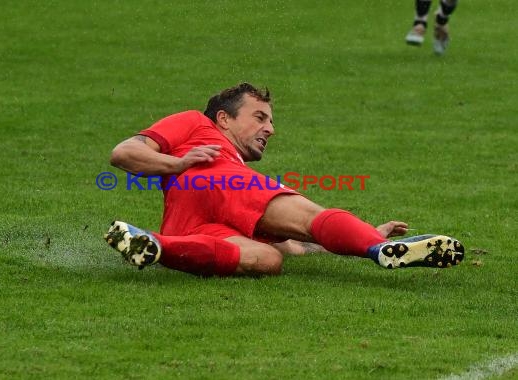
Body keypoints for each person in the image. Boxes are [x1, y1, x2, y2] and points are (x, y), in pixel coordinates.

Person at [104, 83, 464, 277]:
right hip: (222, 182)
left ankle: (154, 244)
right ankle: (375, 251)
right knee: (308, 216)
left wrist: (363, 232)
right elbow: (123, 153)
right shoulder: (196, 124)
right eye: (259, 117)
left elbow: (297, 243)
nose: (270, 129)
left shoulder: (225, 156)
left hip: (185, 222)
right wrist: (178, 161)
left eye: (271, 121)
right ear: (223, 119)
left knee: (266, 259)